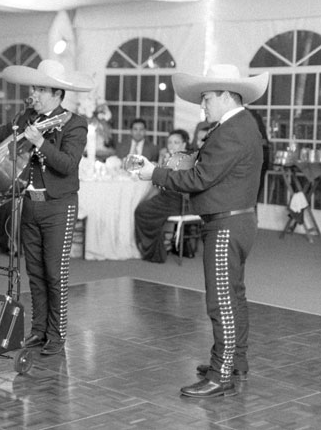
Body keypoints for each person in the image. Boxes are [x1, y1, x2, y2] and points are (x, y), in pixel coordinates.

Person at [137, 64, 269, 398]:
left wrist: (155, 173)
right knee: (233, 296)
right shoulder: (238, 125)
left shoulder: (233, 129)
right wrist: (183, 159)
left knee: (220, 300)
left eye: (207, 98)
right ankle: (234, 361)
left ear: (227, 95)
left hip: (226, 222)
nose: (203, 105)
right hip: (235, 219)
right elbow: (208, 166)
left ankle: (220, 373)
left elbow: (201, 178)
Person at [0, 59, 91, 355]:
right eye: (34, 88)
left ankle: (57, 333)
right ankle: (39, 330)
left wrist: (40, 142)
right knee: (35, 273)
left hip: (58, 206)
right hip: (29, 204)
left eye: (41, 90)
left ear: (57, 94)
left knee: (55, 272)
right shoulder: (26, 116)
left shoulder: (75, 123)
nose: (35, 95)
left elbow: (67, 164)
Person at [134, 129, 191, 263]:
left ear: (184, 145)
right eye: (170, 142)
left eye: (176, 142)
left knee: (143, 211)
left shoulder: (186, 159)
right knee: (142, 208)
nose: (172, 145)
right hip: (166, 197)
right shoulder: (170, 157)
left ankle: (155, 251)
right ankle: (155, 248)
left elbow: (179, 181)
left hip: (179, 200)